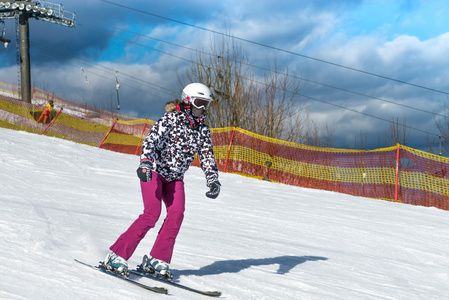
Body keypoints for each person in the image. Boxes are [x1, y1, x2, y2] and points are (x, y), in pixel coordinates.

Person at [104, 83, 221, 279]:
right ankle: (116, 255)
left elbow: (207, 156)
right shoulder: (171, 119)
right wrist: (145, 164)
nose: (202, 108)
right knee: (152, 213)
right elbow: (152, 141)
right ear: (188, 101)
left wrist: (213, 180)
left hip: (175, 177)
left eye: (206, 104)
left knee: (176, 214)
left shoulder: (202, 130)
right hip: (154, 171)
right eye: (199, 103)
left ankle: (156, 259)